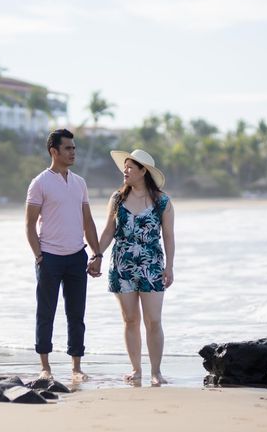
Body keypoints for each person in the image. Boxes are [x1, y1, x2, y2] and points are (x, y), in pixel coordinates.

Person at [90, 149, 175, 386]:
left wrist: (170, 266)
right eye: (124, 166)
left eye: (129, 167)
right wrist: (96, 254)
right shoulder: (117, 198)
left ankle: (156, 372)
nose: (124, 171)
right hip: (121, 264)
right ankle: (136, 369)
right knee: (129, 320)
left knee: (154, 320)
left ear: (143, 171)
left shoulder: (162, 201)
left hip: (152, 265)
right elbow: (108, 231)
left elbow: (168, 236)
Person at [25, 129, 102, 382]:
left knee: (76, 314)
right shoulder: (40, 183)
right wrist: (39, 256)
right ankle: (45, 366)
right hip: (50, 257)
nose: (73, 152)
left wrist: (96, 253)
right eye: (68, 148)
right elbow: (29, 225)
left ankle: (76, 366)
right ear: (54, 151)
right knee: (45, 312)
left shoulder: (79, 182)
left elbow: (87, 221)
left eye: (74, 148)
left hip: (76, 256)